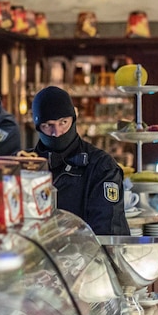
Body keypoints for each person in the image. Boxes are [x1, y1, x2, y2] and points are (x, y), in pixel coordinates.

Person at [31, 86, 130, 235]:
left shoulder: (101, 166)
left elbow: (109, 231)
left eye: (63, 122)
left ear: (74, 119)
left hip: (85, 255)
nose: (56, 133)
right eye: (48, 125)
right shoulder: (23, 165)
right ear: (38, 127)